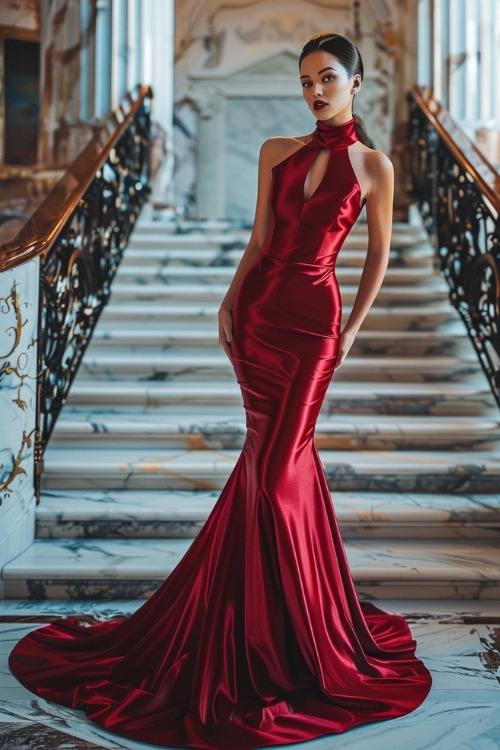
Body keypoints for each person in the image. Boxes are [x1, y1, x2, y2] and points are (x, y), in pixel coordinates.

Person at [9, 33, 431, 750]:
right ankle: (277, 620)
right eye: (305, 81)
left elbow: (379, 256)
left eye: (328, 78)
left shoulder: (373, 165)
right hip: (264, 316)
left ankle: (284, 631)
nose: (315, 91)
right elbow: (261, 240)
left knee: (274, 474)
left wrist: (353, 330)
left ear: (356, 83)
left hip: (316, 325)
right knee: (273, 467)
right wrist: (230, 301)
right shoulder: (274, 151)